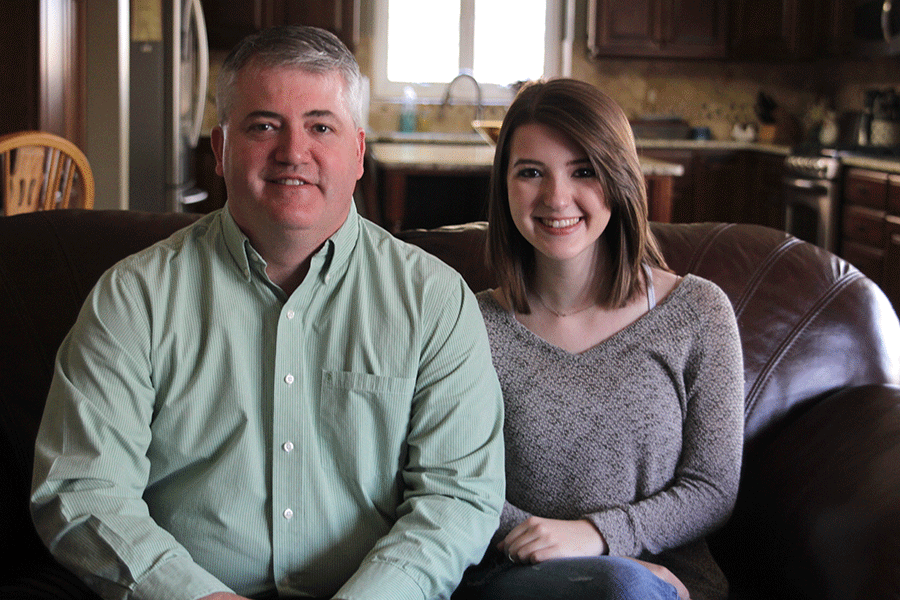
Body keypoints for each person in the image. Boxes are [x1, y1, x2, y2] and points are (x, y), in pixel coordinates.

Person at [31, 26, 505, 600]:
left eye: (320, 126)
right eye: (264, 126)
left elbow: (456, 497)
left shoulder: (435, 301)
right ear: (221, 151)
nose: (292, 152)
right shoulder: (134, 298)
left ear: (357, 152)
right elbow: (82, 487)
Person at [454, 79, 744, 600]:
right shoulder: (466, 324)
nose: (556, 197)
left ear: (621, 179)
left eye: (583, 171)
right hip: (516, 575)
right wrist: (554, 545)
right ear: (504, 187)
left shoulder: (698, 313)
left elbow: (711, 488)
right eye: (531, 173)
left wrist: (597, 537)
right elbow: (452, 479)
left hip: (669, 581)